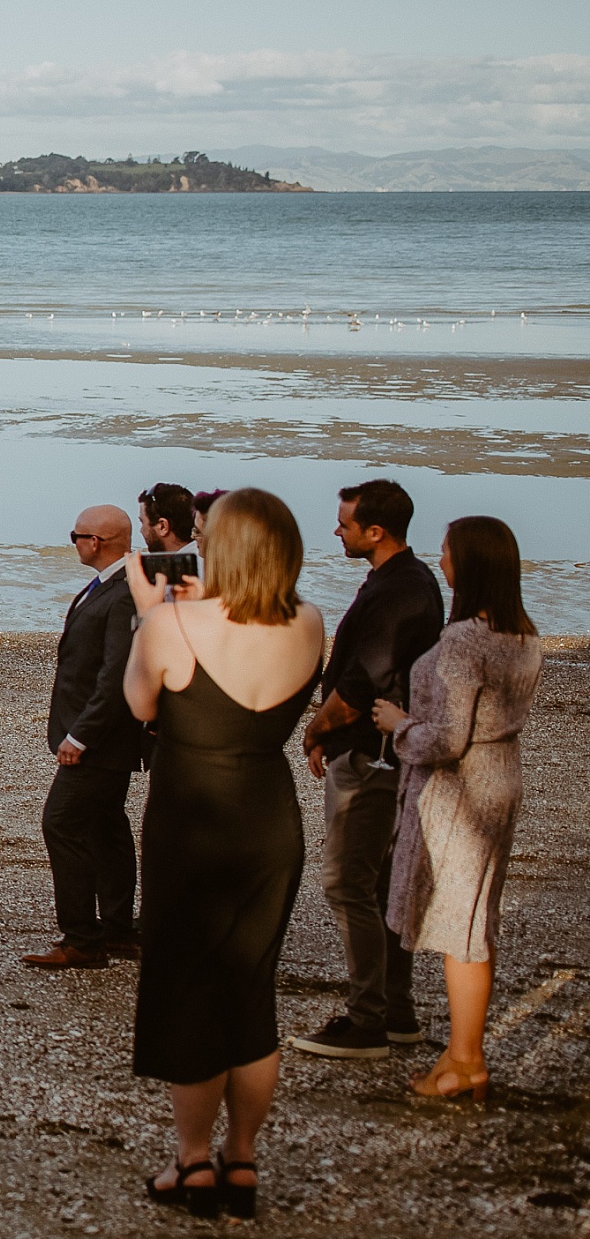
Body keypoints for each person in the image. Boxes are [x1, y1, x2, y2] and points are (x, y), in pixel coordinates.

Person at [126, 487, 323, 1222]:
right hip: (269, 818)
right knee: (249, 988)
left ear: (224, 547)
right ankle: (243, 1158)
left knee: (186, 987)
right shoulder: (310, 620)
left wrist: (155, 614)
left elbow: (141, 704)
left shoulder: (173, 622)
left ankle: (192, 1161)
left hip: (190, 818)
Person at [372, 516, 542, 1100]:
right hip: (499, 778)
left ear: (467, 565)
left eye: (445, 552)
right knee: (473, 917)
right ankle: (460, 1052)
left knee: (459, 923)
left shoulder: (466, 639)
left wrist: (399, 725)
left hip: (462, 789)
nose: (438, 560)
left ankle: (467, 1058)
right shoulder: (523, 635)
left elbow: (445, 740)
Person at [292, 479, 443, 1061]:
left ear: (375, 531)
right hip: (375, 748)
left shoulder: (399, 589)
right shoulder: (408, 581)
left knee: (348, 882)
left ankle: (367, 1019)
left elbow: (362, 682)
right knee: (380, 884)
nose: (337, 530)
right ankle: (397, 1012)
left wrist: (317, 729)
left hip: (371, 755)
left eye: (345, 523)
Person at [23, 503, 142, 970]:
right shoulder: (108, 586)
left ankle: (82, 938)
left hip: (100, 739)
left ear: (96, 542)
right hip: (98, 734)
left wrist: (81, 736)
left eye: (76, 535)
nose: (72, 542)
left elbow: (115, 676)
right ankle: (117, 929)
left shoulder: (125, 591)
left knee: (62, 822)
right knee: (107, 826)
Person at [139, 483, 198, 559]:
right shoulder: (208, 559)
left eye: (142, 522)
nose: (141, 530)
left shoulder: (183, 568)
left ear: (163, 526)